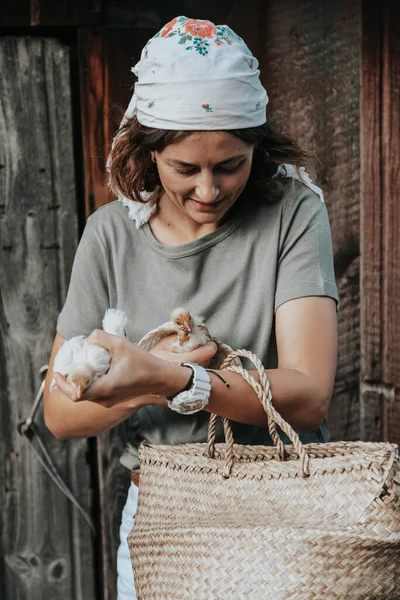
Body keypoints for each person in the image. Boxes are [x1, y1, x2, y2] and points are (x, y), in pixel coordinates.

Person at [43, 16, 338, 600]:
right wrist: (158, 384)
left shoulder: (293, 214)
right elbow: (59, 412)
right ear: (148, 151)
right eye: (186, 169)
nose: (209, 190)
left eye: (231, 164)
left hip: (282, 512)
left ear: (256, 144)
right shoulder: (109, 236)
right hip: (160, 521)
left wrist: (173, 377)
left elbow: (309, 396)